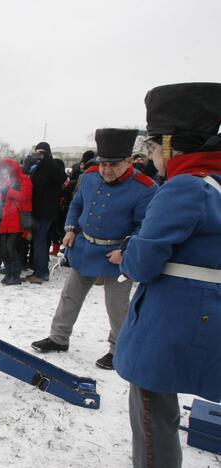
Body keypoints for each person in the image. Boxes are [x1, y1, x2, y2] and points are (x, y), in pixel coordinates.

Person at [115, 82, 221, 468]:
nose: (153, 158)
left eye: (154, 148)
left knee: (153, 419)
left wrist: (125, 254)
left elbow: (142, 263)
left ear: (172, 145)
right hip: (207, 317)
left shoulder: (183, 188)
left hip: (172, 323)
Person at [31, 128, 157, 369]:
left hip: (117, 255)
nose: (107, 170)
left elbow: (146, 227)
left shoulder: (145, 187)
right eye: (103, 164)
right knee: (70, 296)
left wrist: (127, 250)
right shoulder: (88, 176)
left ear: (128, 162)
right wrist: (70, 229)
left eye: (114, 165)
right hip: (85, 248)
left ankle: (118, 349)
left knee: (117, 307)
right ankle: (58, 338)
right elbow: (77, 204)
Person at [24, 142, 67, 284]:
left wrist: (48, 159)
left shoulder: (51, 166)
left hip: (46, 211)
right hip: (37, 210)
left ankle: (41, 273)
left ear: (48, 153)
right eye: (37, 153)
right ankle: (39, 271)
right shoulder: (38, 168)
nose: (39, 155)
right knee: (38, 242)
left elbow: (62, 177)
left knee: (40, 242)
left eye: (42, 153)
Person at [0, 159, 33, 285]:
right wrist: (1, 193)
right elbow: (4, 199)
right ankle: (8, 274)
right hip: (6, 218)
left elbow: (25, 196)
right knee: (4, 250)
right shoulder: (9, 181)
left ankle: (15, 276)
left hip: (17, 219)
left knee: (11, 249)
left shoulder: (25, 179)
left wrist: (8, 192)